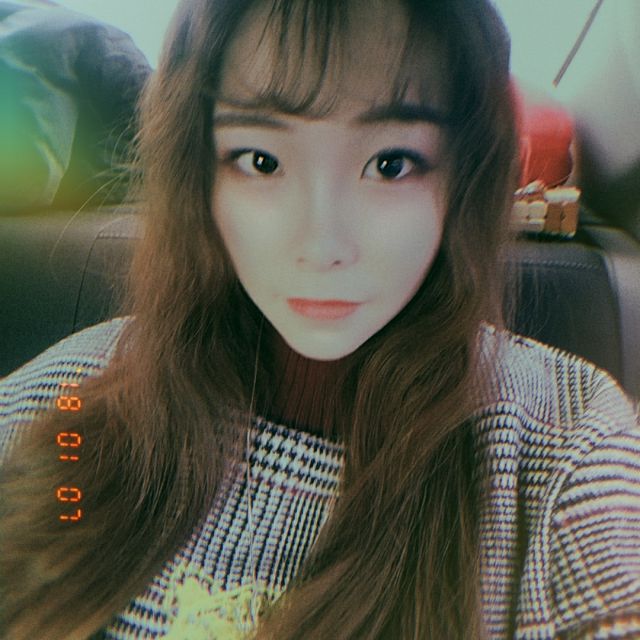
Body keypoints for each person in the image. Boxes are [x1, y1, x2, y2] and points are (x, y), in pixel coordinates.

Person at [1, 0, 639, 638]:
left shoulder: (564, 440)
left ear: (465, 177)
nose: (321, 245)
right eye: (261, 160)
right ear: (198, 173)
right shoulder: (68, 391)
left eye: (391, 164)